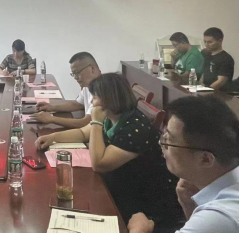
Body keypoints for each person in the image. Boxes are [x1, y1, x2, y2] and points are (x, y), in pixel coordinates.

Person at [35, 73, 182, 227]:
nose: (91, 102)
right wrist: (53, 137)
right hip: (119, 183)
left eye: (95, 97)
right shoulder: (113, 117)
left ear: (109, 99)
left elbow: (100, 164)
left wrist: (96, 122)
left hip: (143, 201)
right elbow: (83, 133)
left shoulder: (134, 127)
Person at [128, 95, 239, 233]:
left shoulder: (219, 217)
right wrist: (190, 207)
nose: (161, 144)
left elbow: (209, 224)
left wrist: (139, 230)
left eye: (169, 140)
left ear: (205, 159)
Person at [31, 52, 100, 128]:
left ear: (92, 69)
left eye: (77, 72)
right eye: (73, 74)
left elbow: (85, 123)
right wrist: (52, 107)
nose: (75, 77)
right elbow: (77, 104)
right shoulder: (88, 85)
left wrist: (51, 119)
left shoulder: (103, 90)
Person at [200, 27, 235, 92]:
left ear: (220, 41)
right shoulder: (206, 54)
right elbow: (204, 74)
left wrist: (206, 91)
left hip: (219, 93)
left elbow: (221, 81)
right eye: (205, 41)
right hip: (206, 89)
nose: (206, 44)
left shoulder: (226, 58)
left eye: (210, 42)